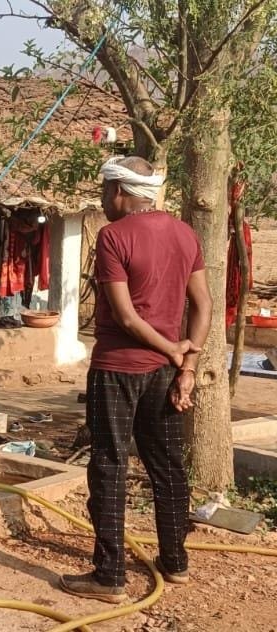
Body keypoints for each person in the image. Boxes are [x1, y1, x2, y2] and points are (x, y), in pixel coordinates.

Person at [60, 156, 213, 603]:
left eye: (104, 190)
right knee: (167, 465)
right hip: (164, 373)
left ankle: (109, 577)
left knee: (109, 465)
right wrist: (185, 364)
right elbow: (203, 304)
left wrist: (175, 352)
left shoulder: (114, 237)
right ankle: (175, 562)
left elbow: (125, 316)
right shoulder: (185, 233)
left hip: (118, 369)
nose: (102, 199)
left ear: (120, 192)